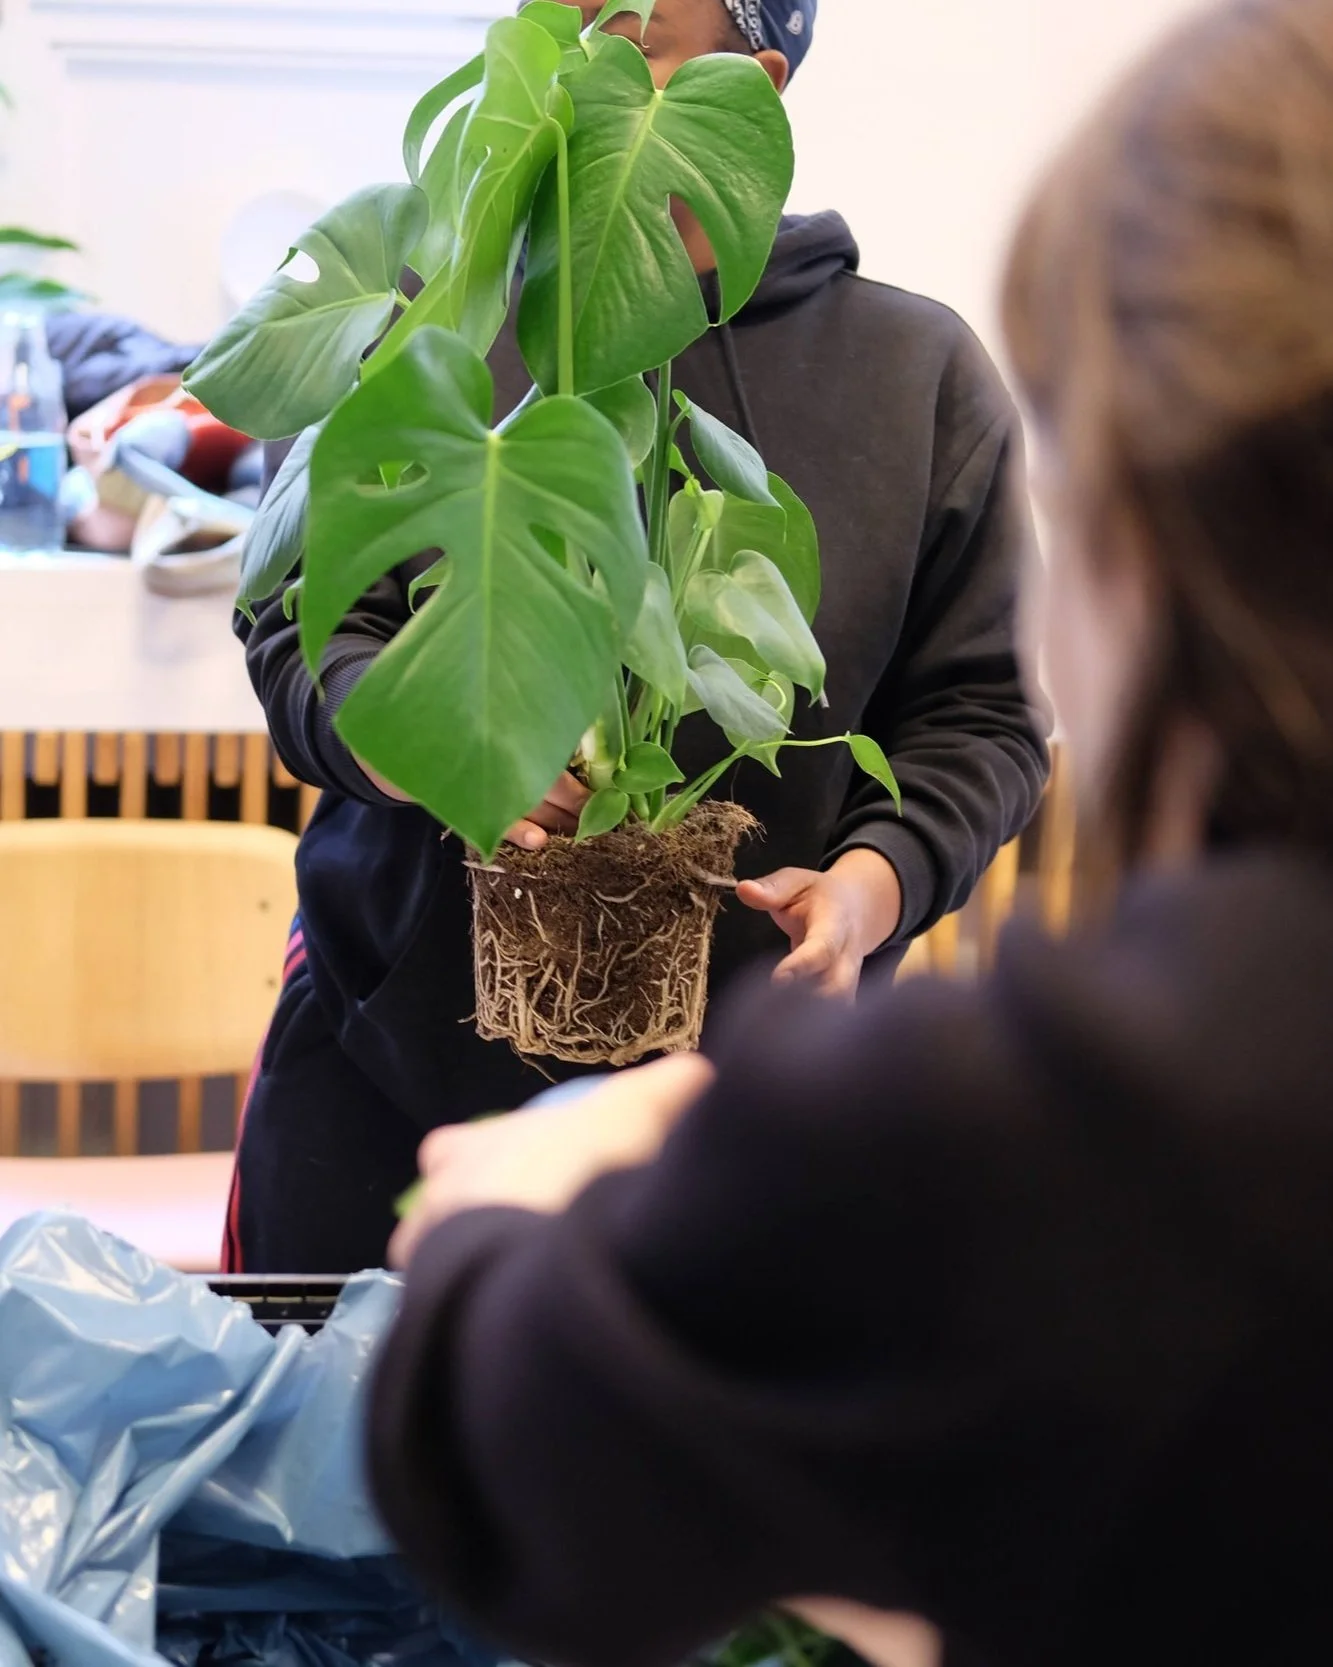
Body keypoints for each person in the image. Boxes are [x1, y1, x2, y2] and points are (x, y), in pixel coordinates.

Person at [369, 1, 1333, 1664]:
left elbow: (501, 1466)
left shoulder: (1067, 1125)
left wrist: (524, 1199)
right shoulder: (448, 328)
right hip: (391, 1047)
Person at [226, 0, 1049, 1274]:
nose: (576, 75)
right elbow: (299, 628)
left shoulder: (915, 372)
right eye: (559, 27)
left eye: (632, 42)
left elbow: (982, 715)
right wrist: (428, 744)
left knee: (688, 1473)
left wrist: (869, 888)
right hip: (384, 1077)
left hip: (749, 1125)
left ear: (753, 89)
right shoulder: (427, 314)